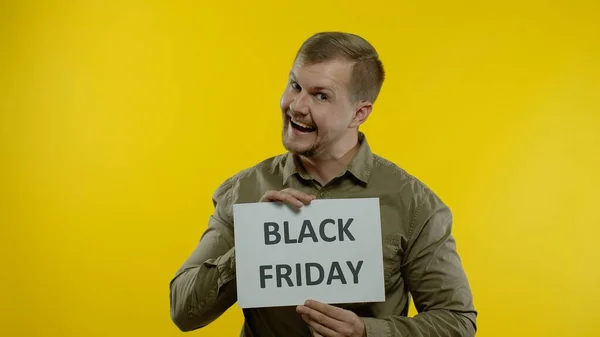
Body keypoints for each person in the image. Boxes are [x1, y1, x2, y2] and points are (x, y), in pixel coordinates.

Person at [169, 31, 477, 337]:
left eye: (321, 96)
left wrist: (365, 332)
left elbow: (457, 321)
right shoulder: (246, 188)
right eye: (295, 85)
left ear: (359, 113)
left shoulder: (414, 204)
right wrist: (252, 245)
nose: (297, 106)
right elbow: (183, 311)